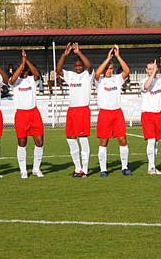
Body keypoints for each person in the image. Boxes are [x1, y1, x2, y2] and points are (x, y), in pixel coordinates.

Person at [56, 42, 94, 177]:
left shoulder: (87, 75)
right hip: (72, 110)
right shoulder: (70, 75)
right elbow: (58, 70)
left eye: (80, 65)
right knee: (70, 138)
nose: (78, 67)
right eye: (76, 65)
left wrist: (78, 52)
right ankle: (77, 168)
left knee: (83, 139)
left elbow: (90, 66)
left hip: (82, 110)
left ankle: (85, 168)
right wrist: (64, 55)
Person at [95, 45, 131, 177]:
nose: (108, 71)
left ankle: (125, 167)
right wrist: (107, 59)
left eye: (110, 68)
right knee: (104, 142)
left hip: (117, 113)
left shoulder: (117, 79)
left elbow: (127, 71)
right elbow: (97, 73)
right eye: (107, 68)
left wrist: (117, 56)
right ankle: (103, 169)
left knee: (122, 139)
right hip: (105, 113)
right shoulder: (100, 81)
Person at [9, 50, 45, 179]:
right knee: (22, 142)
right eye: (22, 69)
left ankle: (36, 168)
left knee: (39, 141)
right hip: (21, 115)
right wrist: (21, 64)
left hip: (34, 113)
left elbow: (37, 74)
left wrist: (26, 60)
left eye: (25, 69)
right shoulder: (14, 82)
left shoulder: (31, 80)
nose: (24, 71)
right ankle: (23, 170)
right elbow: (12, 80)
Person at [140, 57, 161, 175]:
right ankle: (151, 167)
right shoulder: (143, 81)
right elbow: (147, 87)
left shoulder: (160, 81)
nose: (151, 70)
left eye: (152, 68)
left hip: (158, 115)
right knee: (151, 141)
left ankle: (152, 166)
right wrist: (153, 73)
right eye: (149, 69)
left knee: (156, 142)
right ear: (146, 70)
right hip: (147, 114)